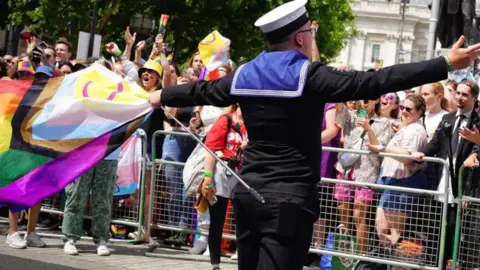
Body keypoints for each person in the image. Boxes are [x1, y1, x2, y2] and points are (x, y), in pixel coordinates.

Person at [149, 1, 480, 269]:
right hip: (289, 201)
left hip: (248, 194)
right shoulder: (309, 75)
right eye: (309, 31)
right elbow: (376, 81)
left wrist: (161, 96)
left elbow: (203, 90)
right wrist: (443, 62)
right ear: (299, 38)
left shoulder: (244, 73)